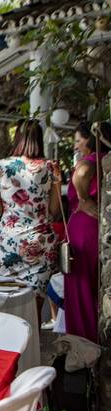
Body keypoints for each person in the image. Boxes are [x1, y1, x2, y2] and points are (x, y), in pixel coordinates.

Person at [0, 120, 61, 319]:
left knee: (7, 306)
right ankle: (33, 348)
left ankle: (10, 347)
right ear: (39, 138)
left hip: (9, 244)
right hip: (41, 244)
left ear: (17, 138)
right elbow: (54, 210)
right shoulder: (49, 167)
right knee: (35, 309)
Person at [63, 121, 111, 342]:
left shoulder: (91, 160)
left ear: (90, 139)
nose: (76, 146)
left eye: (78, 140)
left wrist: (83, 199)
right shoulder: (104, 160)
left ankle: (84, 340)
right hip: (97, 224)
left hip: (85, 224)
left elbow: (81, 174)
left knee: (81, 283)